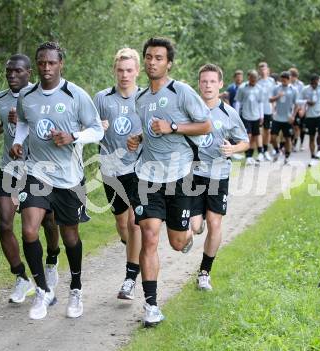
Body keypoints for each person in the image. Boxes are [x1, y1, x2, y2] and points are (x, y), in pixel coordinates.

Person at [10, 42, 104, 320]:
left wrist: (73, 137)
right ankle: (43, 290)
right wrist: (18, 142)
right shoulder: (27, 95)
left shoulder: (75, 95)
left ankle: (75, 287)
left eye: (51, 63)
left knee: (70, 235)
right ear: (36, 65)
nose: (46, 68)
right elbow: (24, 122)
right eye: (41, 63)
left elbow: (97, 130)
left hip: (69, 177)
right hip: (37, 172)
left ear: (61, 64)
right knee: (29, 231)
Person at [126, 37, 211, 327]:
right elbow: (146, 131)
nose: (152, 62)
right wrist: (137, 139)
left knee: (176, 242)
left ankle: (188, 232)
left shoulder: (182, 91)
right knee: (149, 236)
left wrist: (173, 127)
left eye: (158, 58)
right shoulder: (139, 99)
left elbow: (205, 124)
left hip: (180, 175)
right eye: (148, 57)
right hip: (147, 177)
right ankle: (151, 306)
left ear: (168, 63)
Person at [0, 54, 60, 304]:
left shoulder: (40, 96)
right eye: (8, 71)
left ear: (29, 73)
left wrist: (24, 122)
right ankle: (21, 277)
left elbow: (48, 126)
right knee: (4, 224)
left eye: (17, 71)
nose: (11, 75)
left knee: (48, 222)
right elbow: (3, 123)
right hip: (10, 168)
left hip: (38, 168)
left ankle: (52, 260)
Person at [190, 63, 249, 291]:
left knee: (215, 223)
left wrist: (233, 150)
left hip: (218, 175)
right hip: (192, 175)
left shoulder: (229, 113)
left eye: (212, 81)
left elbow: (245, 141)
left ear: (220, 84)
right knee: (195, 228)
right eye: (204, 81)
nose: (208, 85)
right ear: (199, 83)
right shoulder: (190, 109)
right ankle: (197, 223)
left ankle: (204, 272)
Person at [93, 48, 142, 300]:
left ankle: (130, 278)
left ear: (137, 71)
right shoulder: (102, 98)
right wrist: (96, 127)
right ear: (115, 70)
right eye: (121, 70)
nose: (125, 75)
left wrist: (141, 137)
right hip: (110, 168)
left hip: (138, 167)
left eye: (129, 70)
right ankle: (133, 250)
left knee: (135, 222)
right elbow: (86, 127)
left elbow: (157, 132)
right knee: (122, 224)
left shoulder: (145, 98)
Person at [234, 70, 263, 166]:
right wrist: (236, 116)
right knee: (248, 136)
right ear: (249, 78)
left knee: (254, 136)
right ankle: (248, 156)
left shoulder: (259, 88)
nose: (253, 81)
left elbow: (260, 103)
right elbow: (238, 102)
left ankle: (250, 156)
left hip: (256, 116)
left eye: (255, 79)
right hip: (245, 115)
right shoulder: (242, 88)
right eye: (252, 79)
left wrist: (261, 115)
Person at [269, 71, 298, 164]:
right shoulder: (276, 88)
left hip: (288, 118)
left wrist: (293, 116)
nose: (283, 82)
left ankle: (287, 157)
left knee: (288, 138)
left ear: (289, 80)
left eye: (285, 81)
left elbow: (296, 105)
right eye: (282, 81)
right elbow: (270, 99)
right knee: (273, 138)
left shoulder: (294, 90)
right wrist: (278, 96)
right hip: (277, 117)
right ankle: (277, 151)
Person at [301, 74, 320, 166]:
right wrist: (306, 102)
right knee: (311, 137)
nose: (314, 85)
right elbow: (298, 100)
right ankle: (313, 157)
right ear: (310, 82)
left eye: (315, 83)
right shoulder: (305, 89)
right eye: (312, 84)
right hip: (309, 116)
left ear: (318, 81)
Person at [257, 62, 275, 161]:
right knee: (259, 131)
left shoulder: (272, 81)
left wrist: (274, 108)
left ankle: (266, 150)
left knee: (267, 131)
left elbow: (274, 95)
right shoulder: (257, 82)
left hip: (268, 109)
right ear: (259, 71)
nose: (263, 71)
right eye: (261, 69)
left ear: (268, 70)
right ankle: (260, 152)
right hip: (258, 111)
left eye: (265, 69)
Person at [289, 68, 306, 151]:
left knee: (298, 127)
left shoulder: (301, 85)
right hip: (290, 108)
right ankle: (292, 143)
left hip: (299, 107)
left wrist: (302, 108)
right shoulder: (288, 84)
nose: (291, 78)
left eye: (292, 76)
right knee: (292, 126)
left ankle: (299, 143)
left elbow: (303, 97)